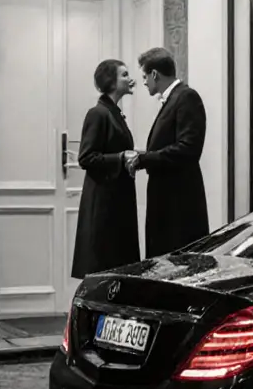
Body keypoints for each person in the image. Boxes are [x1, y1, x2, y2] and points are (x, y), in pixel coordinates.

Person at [128, 47, 210, 257]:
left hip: (179, 206)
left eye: (145, 76)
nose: (144, 82)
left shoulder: (186, 97)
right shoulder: (176, 98)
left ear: (155, 74)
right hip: (169, 202)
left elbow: (188, 149)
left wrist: (144, 159)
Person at [70, 59, 141, 279]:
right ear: (110, 81)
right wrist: (121, 157)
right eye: (124, 74)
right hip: (103, 204)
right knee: (104, 266)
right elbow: (87, 157)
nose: (131, 79)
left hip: (115, 200)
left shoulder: (114, 113)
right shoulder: (98, 113)